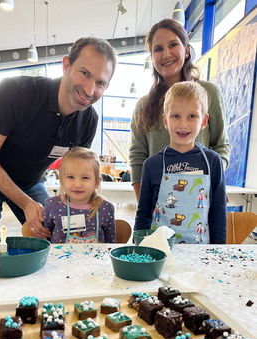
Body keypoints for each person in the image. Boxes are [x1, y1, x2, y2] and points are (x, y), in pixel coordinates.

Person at [0, 37, 116, 242]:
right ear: (66, 65)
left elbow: (77, 170)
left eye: (100, 83)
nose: (90, 90)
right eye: (84, 73)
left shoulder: (89, 120)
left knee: (53, 235)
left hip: (30, 181)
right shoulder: (14, 92)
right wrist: (26, 203)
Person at [129, 18, 231, 201]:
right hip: (158, 203)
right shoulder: (143, 107)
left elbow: (221, 146)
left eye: (173, 45)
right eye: (158, 49)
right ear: (152, 57)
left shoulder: (209, 93)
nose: (166, 54)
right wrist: (143, 204)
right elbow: (138, 158)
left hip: (200, 201)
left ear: (186, 50)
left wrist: (215, 179)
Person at [134, 81, 227, 244]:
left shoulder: (213, 162)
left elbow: (218, 214)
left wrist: (217, 252)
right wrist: (139, 248)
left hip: (200, 253)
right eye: (175, 116)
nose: (183, 124)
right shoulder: (152, 165)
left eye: (192, 116)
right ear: (165, 121)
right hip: (160, 252)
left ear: (204, 121)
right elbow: (143, 215)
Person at [44, 147, 116, 243]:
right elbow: (45, 239)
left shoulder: (105, 208)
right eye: (70, 177)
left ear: (97, 182)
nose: (77, 184)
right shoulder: (52, 205)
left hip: (95, 258)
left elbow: (111, 244)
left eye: (85, 178)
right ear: (61, 180)